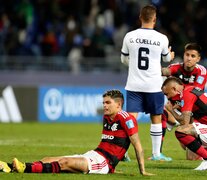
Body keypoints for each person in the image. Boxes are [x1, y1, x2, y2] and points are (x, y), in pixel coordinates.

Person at [0, 90, 154, 175]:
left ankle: (23, 168)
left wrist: (143, 171)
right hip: (94, 154)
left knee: (64, 163)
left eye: (108, 103)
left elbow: (138, 146)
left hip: (103, 163)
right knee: (49, 158)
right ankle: (8, 166)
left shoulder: (126, 119)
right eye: (103, 103)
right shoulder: (106, 117)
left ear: (119, 104)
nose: (104, 106)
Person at [121, 4, 174, 161]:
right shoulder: (161, 38)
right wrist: (170, 55)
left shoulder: (129, 36)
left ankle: (122, 152)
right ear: (155, 19)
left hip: (134, 84)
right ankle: (156, 154)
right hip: (154, 84)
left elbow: (124, 59)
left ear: (140, 18)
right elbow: (166, 59)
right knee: (156, 117)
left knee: (130, 119)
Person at [161, 43, 207, 160]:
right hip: (190, 109)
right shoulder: (175, 67)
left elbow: (195, 93)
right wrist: (163, 57)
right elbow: (164, 71)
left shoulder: (201, 71)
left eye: (193, 56)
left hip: (192, 108)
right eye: (187, 55)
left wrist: (173, 109)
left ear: (198, 59)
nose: (189, 58)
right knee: (189, 153)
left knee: (183, 131)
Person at [161, 77, 207, 170]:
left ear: (174, 89)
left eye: (167, 94)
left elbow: (184, 123)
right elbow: (190, 122)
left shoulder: (187, 93)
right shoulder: (189, 91)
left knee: (180, 131)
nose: (167, 97)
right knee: (190, 155)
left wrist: (171, 110)